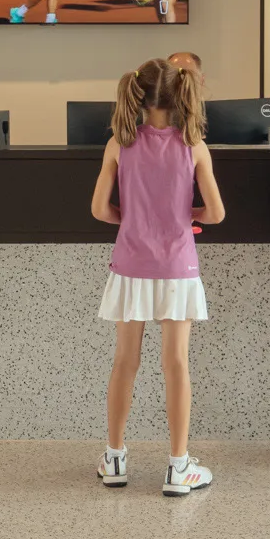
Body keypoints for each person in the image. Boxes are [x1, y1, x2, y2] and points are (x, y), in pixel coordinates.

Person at [89, 57, 224, 496]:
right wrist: (187, 215)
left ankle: (114, 458)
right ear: (180, 93)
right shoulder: (194, 145)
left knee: (124, 362)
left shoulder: (119, 144)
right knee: (176, 364)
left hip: (130, 266)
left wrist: (132, 219)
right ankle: (178, 467)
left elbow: (99, 209)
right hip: (177, 269)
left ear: (138, 94)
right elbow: (217, 213)